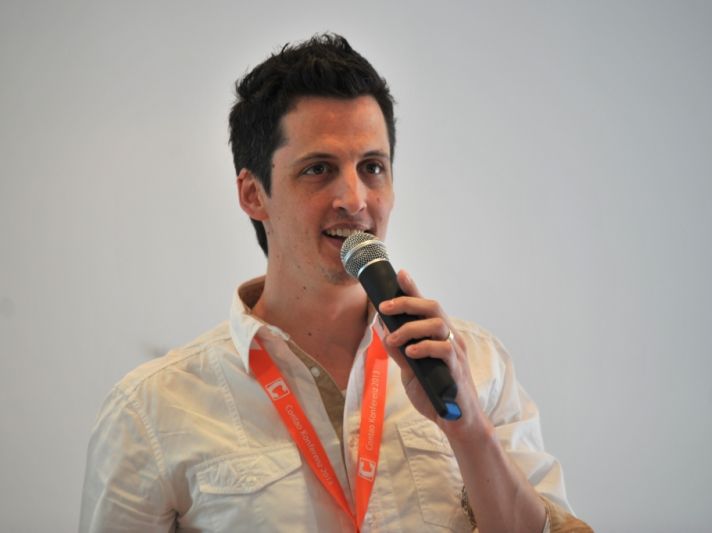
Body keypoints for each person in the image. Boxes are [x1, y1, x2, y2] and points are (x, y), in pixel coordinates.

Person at [79, 33, 591, 532]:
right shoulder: (153, 408)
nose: (354, 198)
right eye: (319, 169)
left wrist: (469, 430)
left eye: (372, 167)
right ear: (254, 194)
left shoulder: (475, 367)